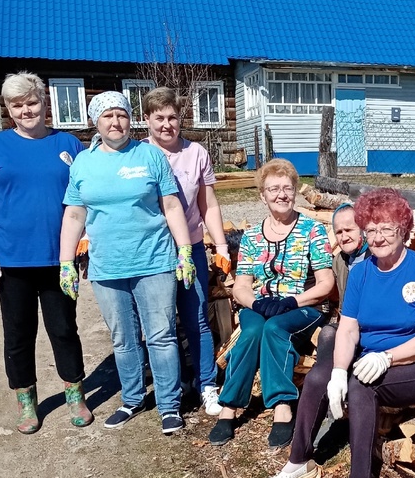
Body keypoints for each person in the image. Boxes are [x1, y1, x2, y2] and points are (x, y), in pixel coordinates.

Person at [264, 187, 415, 478]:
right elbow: (348, 329)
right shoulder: (363, 272)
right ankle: (298, 459)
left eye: (387, 228)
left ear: (403, 229)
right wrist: (337, 370)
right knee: (320, 377)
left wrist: (387, 357)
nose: (378, 237)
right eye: (372, 229)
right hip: (371, 356)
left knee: (362, 386)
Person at [59, 91, 196, 435]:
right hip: (107, 267)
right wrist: (65, 261)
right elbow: (75, 214)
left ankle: (169, 405)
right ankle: (132, 399)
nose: (115, 122)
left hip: (154, 261)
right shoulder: (83, 164)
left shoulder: (149, 155)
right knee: (122, 339)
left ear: (130, 120)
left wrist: (184, 250)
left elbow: (172, 205)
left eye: (121, 115)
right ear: (96, 122)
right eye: (108, 116)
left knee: (161, 336)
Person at [0, 71, 92, 433]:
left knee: (64, 329)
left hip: (60, 259)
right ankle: (26, 402)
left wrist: (85, 242)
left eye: (32, 102)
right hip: (13, 261)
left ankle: (75, 395)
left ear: (44, 101)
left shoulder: (68, 144)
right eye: (17, 105)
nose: (26, 110)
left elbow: (86, 199)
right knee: (18, 334)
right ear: (8, 108)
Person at [208, 159, 334, 448]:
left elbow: (326, 284)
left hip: (303, 306)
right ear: (262, 195)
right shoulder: (252, 236)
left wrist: (292, 300)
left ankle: (282, 406)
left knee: (276, 328)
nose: (281, 194)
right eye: (273, 189)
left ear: (294, 192)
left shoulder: (311, 231)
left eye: (287, 188)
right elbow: (240, 286)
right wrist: (258, 304)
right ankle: (229, 407)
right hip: (260, 304)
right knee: (252, 330)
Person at [259, 202, 369, 478]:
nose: (345, 236)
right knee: (322, 359)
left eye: (350, 229)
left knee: (331, 339)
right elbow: (319, 286)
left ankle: (323, 430)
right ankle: (299, 457)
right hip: (346, 328)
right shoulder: (340, 261)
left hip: (374, 335)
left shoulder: (376, 258)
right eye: (339, 231)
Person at [143, 86, 230, 416]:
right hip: (151, 251)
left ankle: (206, 384)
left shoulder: (196, 154)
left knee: (196, 318)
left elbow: (208, 204)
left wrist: (220, 244)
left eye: (173, 117)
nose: (167, 124)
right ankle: (172, 386)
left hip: (190, 246)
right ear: (147, 119)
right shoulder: (137, 154)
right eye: (159, 118)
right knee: (159, 324)